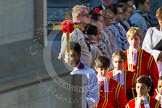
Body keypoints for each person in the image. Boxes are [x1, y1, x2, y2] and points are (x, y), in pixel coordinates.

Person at [66, 42, 99, 108]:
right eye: (67, 55)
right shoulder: (59, 72)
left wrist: (79, 104)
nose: (70, 59)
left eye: (73, 55)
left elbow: (94, 98)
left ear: (79, 55)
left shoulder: (89, 73)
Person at [142, 7, 162, 77]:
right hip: (155, 68)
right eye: (160, 21)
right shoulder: (151, 31)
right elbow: (145, 50)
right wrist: (158, 54)